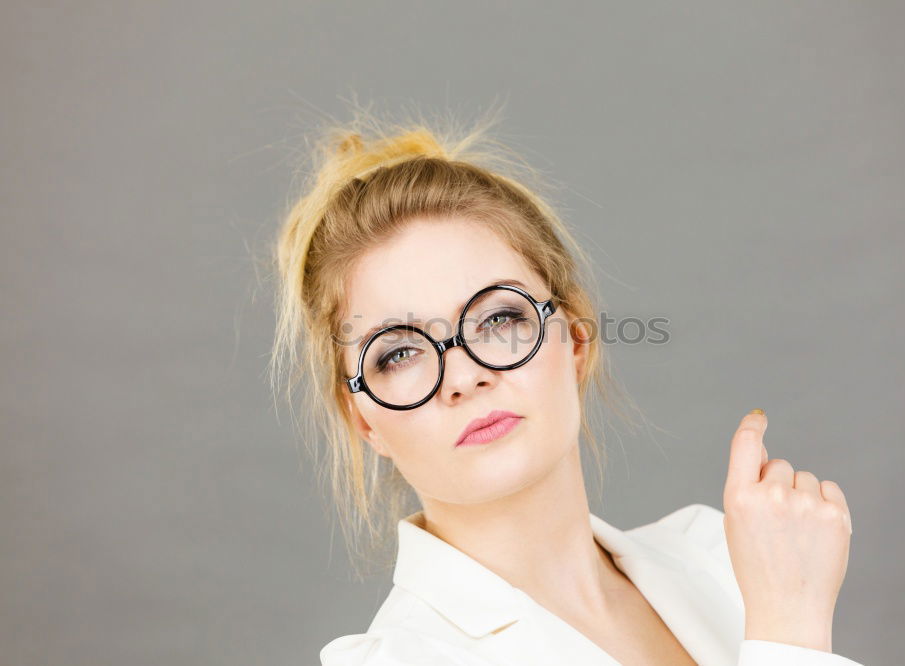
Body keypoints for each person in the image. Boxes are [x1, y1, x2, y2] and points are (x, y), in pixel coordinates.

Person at [269, 106, 864, 665]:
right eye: (399, 353)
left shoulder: (722, 558)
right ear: (364, 419)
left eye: (499, 319)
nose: (465, 376)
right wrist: (790, 630)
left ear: (576, 338)